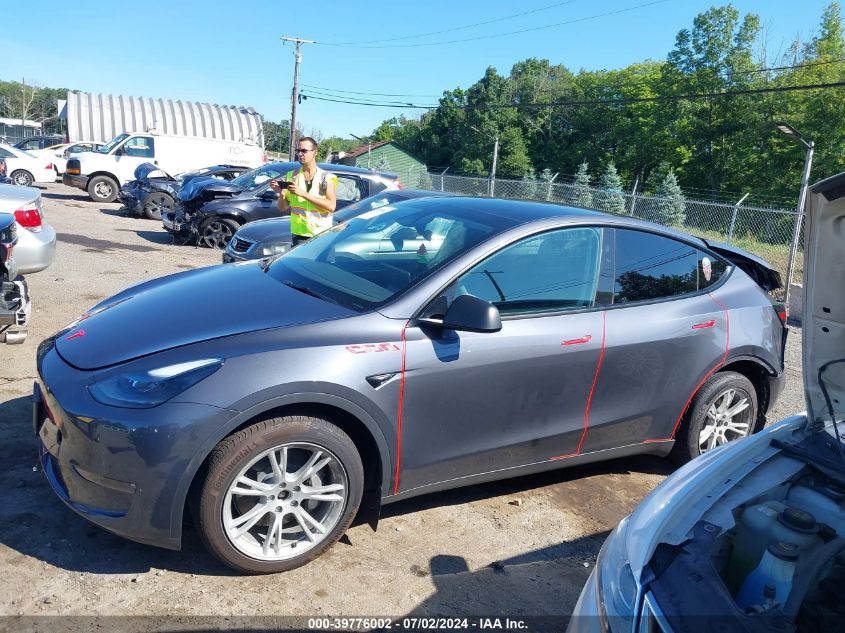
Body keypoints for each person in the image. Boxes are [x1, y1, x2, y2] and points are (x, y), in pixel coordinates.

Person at [272, 137, 338, 245]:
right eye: (298, 151)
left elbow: (331, 206)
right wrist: (281, 193)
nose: (300, 154)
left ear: (315, 153)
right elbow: (282, 207)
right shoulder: (292, 176)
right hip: (299, 236)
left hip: (322, 236)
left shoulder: (326, 177)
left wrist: (303, 193)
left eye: (304, 151)